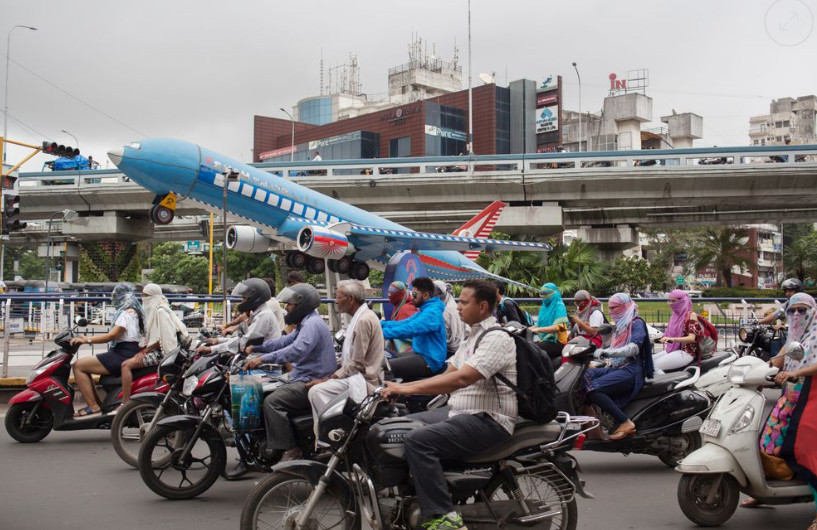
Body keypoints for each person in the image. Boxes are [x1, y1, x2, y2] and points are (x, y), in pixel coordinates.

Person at [382, 279, 516, 530]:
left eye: (464, 303)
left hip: (488, 418)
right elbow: (447, 373)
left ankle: (444, 517)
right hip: (462, 412)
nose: (457, 308)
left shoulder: (496, 338)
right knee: (400, 427)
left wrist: (405, 387)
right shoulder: (471, 337)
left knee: (418, 441)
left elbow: (462, 378)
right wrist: (400, 390)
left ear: (483, 306)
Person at [240, 283, 336, 475]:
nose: (286, 308)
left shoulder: (312, 324)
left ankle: (290, 449)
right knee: (267, 391)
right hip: (300, 376)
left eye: (290, 305)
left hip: (311, 380)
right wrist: (258, 348)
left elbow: (296, 350)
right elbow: (285, 341)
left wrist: (262, 359)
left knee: (272, 402)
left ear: (302, 304)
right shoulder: (305, 322)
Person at [742, 292, 817, 524]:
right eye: (792, 310)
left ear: (812, 312)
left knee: (806, 447)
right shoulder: (794, 335)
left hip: (812, 396)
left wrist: (795, 373)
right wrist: (751, 367)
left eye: (802, 310)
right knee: (768, 440)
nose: (797, 315)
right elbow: (781, 358)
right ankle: (766, 493)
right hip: (791, 395)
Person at [307, 280, 384, 431]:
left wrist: (329, 378)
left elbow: (357, 363)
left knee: (316, 391)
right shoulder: (361, 316)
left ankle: (333, 435)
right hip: (357, 374)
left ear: (351, 299)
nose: (336, 301)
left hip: (364, 380)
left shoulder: (363, 320)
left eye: (338, 297)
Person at [583, 293, 654, 440]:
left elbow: (634, 348)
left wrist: (606, 353)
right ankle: (594, 420)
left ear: (625, 307)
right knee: (583, 376)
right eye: (609, 308)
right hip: (616, 367)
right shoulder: (621, 324)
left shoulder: (636, 323)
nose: (610, 311)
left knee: (594, 390)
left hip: (631, 370)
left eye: (614, 308)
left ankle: (625, 422)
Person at [70, 283, 145, 417]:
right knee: (83, 366)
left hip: (122, 353)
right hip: (127, 351)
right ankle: (96, 404)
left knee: (78, 366)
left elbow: (112, 335)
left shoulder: (127, 314)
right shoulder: (136, 311)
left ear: (123, 297)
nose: (114, 299)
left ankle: (93, 407)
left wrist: (86, 340)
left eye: (116, 296)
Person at [119, 284, 188, 406]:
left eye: (146, 296)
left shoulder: (161, 311)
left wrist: (145, 351)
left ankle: (124, 403)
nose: (143, 298)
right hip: (156, 350)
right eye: (142, 295)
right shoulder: (156, 310)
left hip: (161, 354)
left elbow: (163, 338)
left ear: (154, 296)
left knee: (125, 365)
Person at [381, 277, 447, 381]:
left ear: (425, 295)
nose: (412, 298)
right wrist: (379, 324)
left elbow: (410, 329)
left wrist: (379, 333)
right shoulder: (425, 309)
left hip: (429, 360)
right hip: (421, 353)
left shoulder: (432, 313)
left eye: (414, 295)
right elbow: (404, 323)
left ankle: (391, 394)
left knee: (384, 367)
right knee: (390, 356)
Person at [196, 278, 280, 356]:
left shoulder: (264, 316)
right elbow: (242, 339)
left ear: (254, 298)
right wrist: (218, 340)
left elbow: (243, 342)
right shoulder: (259, 313)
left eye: (244, 298)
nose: (242, 301)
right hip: (255, 361)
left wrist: (211, 349)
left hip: (263, 367)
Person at [653, 290, 702, 373]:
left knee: (654, 365)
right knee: (648, 361)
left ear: (682, 301)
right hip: (673, 350)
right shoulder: (674, 316)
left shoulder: (691, 315)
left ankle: (665, 385)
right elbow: (667, 335)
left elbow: (691, 338)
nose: (671, 304)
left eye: (674, 301)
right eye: (670, 301)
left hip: (686, 352)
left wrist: (672, 339)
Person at [758, 278, 803, 357]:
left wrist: (784, 326)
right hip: (788, 335)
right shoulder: (787, 304)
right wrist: (759, 322)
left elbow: (802, 321)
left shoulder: (804, 304)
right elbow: (775, 315)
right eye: (786, 291)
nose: (787, 294)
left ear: (798, 291)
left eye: (790, 291)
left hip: (800, 338)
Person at [528, 282, 569, 361]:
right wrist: (525, 329)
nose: (543, 297)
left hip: (557, 341)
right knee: (525, 346)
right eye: (542, 294)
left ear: (554, 293)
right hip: (546, 339)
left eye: (545, 294)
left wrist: (538, 329)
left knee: (531, 350)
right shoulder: (544, 307)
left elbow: (560, 327)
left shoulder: (559, 306)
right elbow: (538, 325)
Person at [433, 280, 467, 357]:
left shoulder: (446, 311)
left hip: (448, 351)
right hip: (458, 348)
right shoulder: (451, 304)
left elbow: (443, 338)